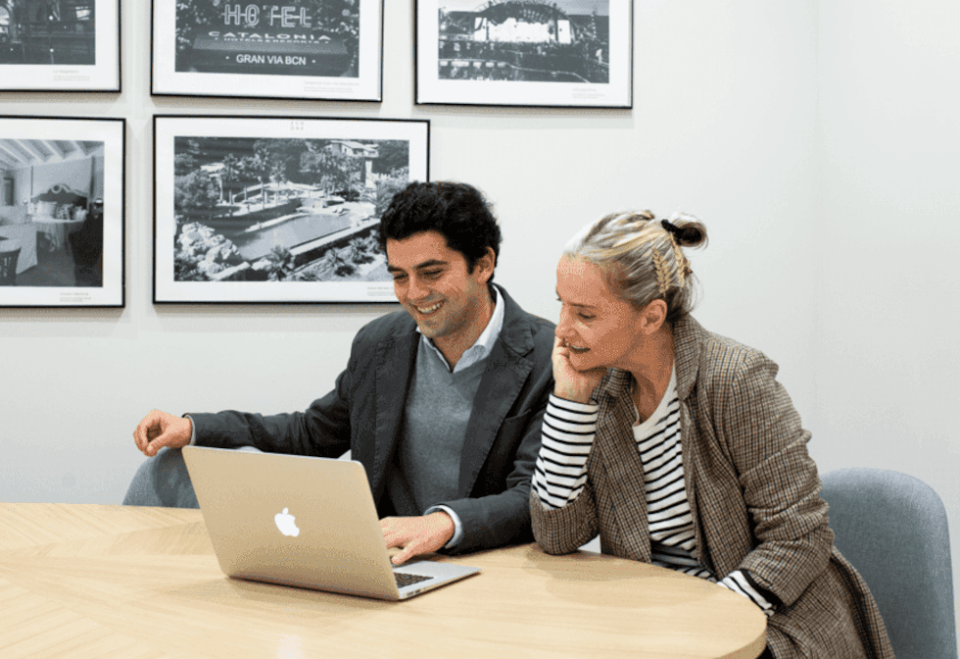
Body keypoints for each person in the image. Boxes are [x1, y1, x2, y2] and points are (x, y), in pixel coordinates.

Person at [127, 181, 555, 565]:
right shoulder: (380, 344)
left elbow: (534, 497)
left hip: (492, 569)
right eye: (399, 276)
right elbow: (310, 434)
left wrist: (444, 523)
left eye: (431, 273)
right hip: (386, 565)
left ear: (483, 264)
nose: (413, 294)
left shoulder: (548, 358)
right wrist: (194, 427)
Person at [531, 210, 893, 658]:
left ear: (651, 316)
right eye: (561, 305)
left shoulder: (736, 379)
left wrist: (706, 625)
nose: (562, 330)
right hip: (657, 622)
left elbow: (799, 537)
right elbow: (557, 536)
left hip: (772, 624)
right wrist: (570, 406)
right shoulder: (604, 386)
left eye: (584, 314)